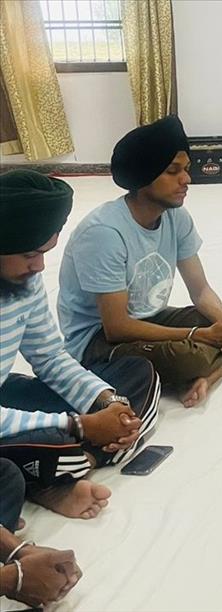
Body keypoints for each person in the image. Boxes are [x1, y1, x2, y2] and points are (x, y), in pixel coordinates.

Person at [57, 116, 222, 407]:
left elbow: (201, 291)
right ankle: (200, 367)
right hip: (99, 341)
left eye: (186, 169)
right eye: (173, 171)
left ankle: (211, 373)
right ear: (144, 177)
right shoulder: (104, 233)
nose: (187, 179)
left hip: (152, 318)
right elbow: (117, 327)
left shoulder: (176, 217)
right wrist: (201, 335)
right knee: (190, 358)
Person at [0, 170, 160, 520]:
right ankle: (65, 466)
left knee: (138, 374)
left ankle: (71, 463)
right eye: (30, 254)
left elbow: (50, 358)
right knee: (28, 458)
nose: (39, 266)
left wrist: (109, 404)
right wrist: (78, 426)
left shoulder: (24, 282)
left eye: (45, 252)